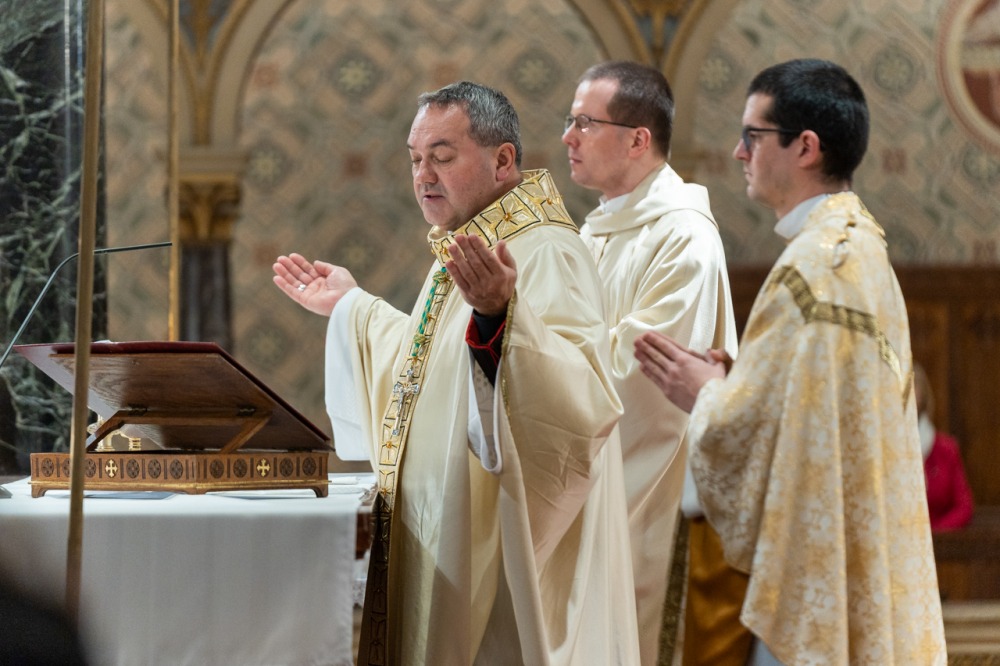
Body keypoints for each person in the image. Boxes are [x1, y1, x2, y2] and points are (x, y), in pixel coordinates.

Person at [273, 81, 639, 665]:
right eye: (415, 159)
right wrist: (352, 307)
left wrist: (500, 319)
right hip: (449, 534)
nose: (423, 176)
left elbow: (580, 407)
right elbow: (428, 372)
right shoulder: (470, 244)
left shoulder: (544, 249)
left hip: (504, 556)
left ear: (503, 160)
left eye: (442, 157)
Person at [633, 59, 947, 665]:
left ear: (805, 147)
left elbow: (753, 433)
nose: (738, 152)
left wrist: (705, 393)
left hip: (813, 574)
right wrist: (736, 381)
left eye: (752, 135)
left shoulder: (814, 270)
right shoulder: (858, 249)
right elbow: (815, 415)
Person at [561, 60, 737, 666]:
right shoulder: (596, 231)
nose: (568, 137)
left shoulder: (682, 238)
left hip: (645, 497)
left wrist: (533, 362)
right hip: (589, 492)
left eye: (585, 123)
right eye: (570, 121)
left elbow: (638, 379)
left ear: (638, 139)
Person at [914, 363, 975, 531]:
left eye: (913, 386)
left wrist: (935, 534)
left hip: (939, 539)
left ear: (923, 396)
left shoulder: (945, 448)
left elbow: (964, 506)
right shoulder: (885, 451)